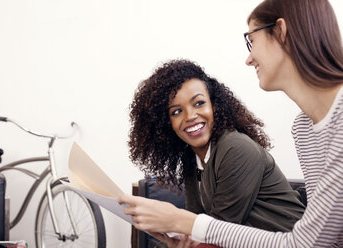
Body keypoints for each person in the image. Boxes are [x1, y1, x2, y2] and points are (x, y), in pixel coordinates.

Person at [119, 0, 343, 247]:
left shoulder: (338, 120)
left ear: (280, 32)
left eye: (251, 40)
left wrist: (183, 222)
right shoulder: (303, 129)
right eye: (176, 111)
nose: (249, 59)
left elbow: (309, 244)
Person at [126, 59, 305, 247]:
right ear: (165, 124)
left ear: (215, 106)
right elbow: (197, 224)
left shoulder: (236, 148)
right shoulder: (191, 159)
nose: (190, 116)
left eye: (199, 103)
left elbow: (219, 230)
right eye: (177, 111)